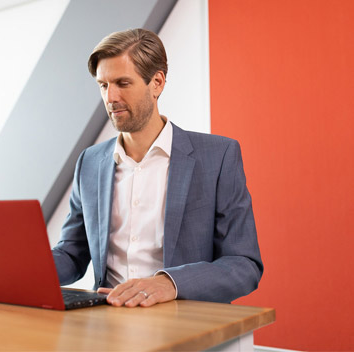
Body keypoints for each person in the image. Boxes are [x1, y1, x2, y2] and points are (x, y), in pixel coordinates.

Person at [51, 28, 263, 307]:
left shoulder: (218, 156)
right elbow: (72, 254)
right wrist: (18, 269)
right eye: (103, 85)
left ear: (157, 83)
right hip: (105, 320)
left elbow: (243, 264)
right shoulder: (89, 162)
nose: (110, 97)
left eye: (122, 83)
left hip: (182, 321)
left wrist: (170, 283)